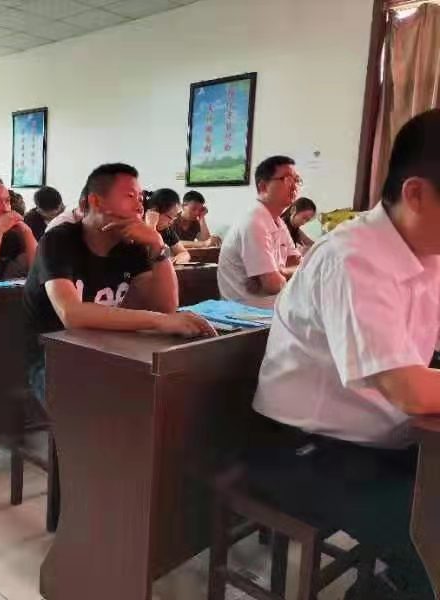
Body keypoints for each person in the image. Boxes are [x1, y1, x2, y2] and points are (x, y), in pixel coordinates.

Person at [251, 110, 440, 600]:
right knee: (434, 541)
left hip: (381, 438)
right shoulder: (353, 256)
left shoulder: (428, 252)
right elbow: (409, 389)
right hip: (310, 449)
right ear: (417, 194)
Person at [23, 163, 216, 406]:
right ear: (96, 201)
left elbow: (165, 306)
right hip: (52, 358)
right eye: (130, 196)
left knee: (173, 394)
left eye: (140, 198)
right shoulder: (58, 240)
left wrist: (158, 246)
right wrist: (158, 321)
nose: (140, 206)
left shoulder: (131, 246)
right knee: (116, 406)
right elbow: (71, 314)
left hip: (106, 349)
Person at [217, 156, 302, 308]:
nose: (294, 186)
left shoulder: (278, 222)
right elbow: (273, 285)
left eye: (297, 180)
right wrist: (283, 275)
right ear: (263, 187)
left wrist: (281, 272)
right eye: (288, 180)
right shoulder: (254, 221)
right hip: (246, 313)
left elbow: (298, 265)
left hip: (272, 307)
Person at [143, 188, 192, 264]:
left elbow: (184, 253)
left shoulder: (166, 230)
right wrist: (151, 227)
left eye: (174, 218)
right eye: (169, 217)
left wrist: (176, 259)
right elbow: (148, 258)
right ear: (154, 211)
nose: (171, 222)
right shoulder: (136, 229)